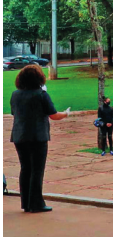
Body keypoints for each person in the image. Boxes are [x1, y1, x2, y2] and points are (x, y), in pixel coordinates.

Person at [9, 64, 69, 213]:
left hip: (19, 136)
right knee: (37, 170)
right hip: (37, 136)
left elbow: (14, 113)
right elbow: (54, 115)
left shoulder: (15, 94)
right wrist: (66, 113)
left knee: (25, 169)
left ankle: (26, 203)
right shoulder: (41, 94)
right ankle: (36, 203)